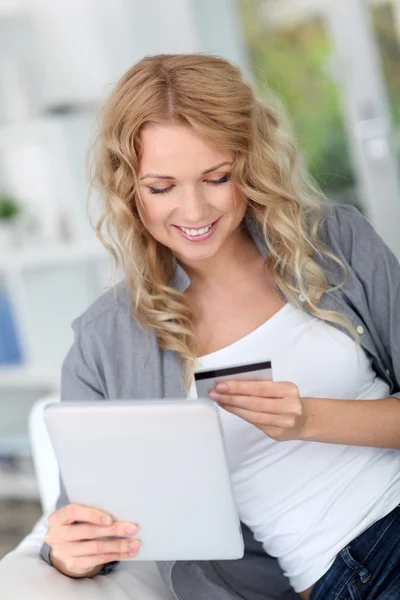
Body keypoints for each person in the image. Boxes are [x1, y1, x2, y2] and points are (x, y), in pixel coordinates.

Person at [40, 53, 400, 600]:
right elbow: (88, 519)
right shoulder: (104, 343)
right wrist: (71, 556)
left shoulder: (336, 242)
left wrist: (308, 419)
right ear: (128, 187)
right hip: (351, 572)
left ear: (249, 163)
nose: (194, 209)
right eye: (161, 187)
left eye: (216, 177)